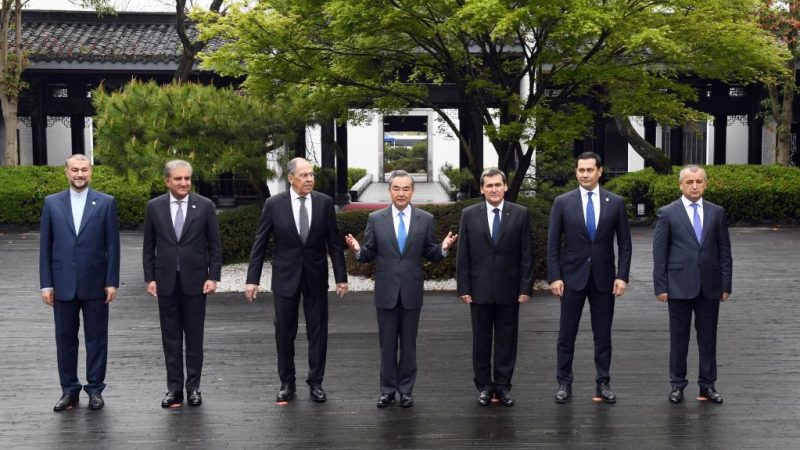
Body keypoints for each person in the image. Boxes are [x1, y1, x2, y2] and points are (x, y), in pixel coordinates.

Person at [345, 170, 457, 408]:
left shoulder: (425, 219)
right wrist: (356, 249)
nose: (401, 193)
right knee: (387, 345)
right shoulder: (376, 219)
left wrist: (444, 248)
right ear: (389, 191)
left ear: (412, 192)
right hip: (386, 292)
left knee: (408, 344)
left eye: (406, 189)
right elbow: (368, 253)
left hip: (411, 292)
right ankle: (387, 390)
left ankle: (406, 390)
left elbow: (432, 253)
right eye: (396, 188)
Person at [245, 157, 348, 404]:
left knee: (318, 332)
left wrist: (341, 278)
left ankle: (316, 382)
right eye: (304, 175)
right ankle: (286, 383)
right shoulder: (274, 204)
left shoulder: (324, 203)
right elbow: (260, 244)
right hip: (285, 277)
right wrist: (252, 279)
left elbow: (334, 244)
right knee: (284, 332)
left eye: (311, 175)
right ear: (291, 178)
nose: (310, 179)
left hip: (315, 276)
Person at [547, 151, 632, 404]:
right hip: (571, 278)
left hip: (604, 279)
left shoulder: (615, 202)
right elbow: (553, 244)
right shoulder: (562, 202)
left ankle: (603, 382)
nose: (585, 174)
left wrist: (622, 276)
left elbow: (625, 244)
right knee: (566, 334)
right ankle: (564, 382)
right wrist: (555, 277)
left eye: (589, 170)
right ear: (576, 172)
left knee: (603, 334)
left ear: (599, 172)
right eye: (581, 170)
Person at [39, 154, 120, 411]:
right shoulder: (51, 204)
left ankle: (95, 389)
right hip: (62, 284)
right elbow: (45, 247)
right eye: (75, 170)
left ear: (91, 172)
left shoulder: (106, 203)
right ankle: (69, 390)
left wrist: (112, 281)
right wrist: (46, 284)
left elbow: (112, 245)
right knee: (65, 339)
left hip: (96, 283)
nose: (80, 174)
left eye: (84, 170)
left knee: (97, 338)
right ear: (66, 172)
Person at [143, 160, 222, 408]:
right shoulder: (154, 207)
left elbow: (215, 246)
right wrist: (150, 277)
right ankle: (174, 389)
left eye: (187, 178)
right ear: (167, 181)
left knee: (194, 338)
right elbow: (149, 247)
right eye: (178, 179)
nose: (183, 183)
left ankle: (194, 388)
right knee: (171, 339)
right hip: (166, 281)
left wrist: (213, 276)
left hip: (196, 282)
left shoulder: (205, 206)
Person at [652, 164, 732, 405]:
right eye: (689, 182)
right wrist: (661, 286)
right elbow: (660, 252)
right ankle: (677, 384)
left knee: (708, 339)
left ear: (705, 184)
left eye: (699, 181)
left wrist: (726, 284)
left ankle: (708, 385)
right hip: (678, 285)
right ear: (681, 185)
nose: (694, 186)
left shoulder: (716, 212)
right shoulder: (667, 213)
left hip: (710, 285)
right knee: (679, 339)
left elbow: (724, 251)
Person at [456, 168, 534, 407]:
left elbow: (527, 254)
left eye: (498, 185)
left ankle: (502, 386)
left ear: (505, 186)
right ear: (481, 189)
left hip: (509, 289)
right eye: (488, 185)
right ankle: (484, 387)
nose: (493, 189)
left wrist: (526, 287)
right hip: (478, 290)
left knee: (507, 341)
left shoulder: (520, 214)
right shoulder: (469, 214)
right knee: (481, 341)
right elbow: (463, 254)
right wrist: (463, 287)